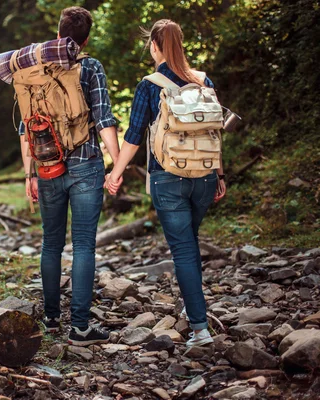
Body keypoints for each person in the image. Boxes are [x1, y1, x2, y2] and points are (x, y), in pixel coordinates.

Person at [106, 19, 226, 348]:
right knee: (189, 244)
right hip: (203, 177)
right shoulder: (203, 80)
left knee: (184, 251)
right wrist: (219, 174)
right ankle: (193, 307)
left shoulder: (150, 84)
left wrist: (115, 174)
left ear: (155, 46)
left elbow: (132, 137)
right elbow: (214, 132)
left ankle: (200, 330)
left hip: (167, 177)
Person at [20, 7, 120, 346]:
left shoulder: (35, 72)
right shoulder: (90, 67)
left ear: (59, 34)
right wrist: (117, 166)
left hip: (47, 167)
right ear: (86, 38)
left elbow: (25, 131)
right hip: (86, 165)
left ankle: (50, 318)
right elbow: (104, 120)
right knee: (83, 246)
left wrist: (28, 175)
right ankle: (79, 328)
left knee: (50, 243)